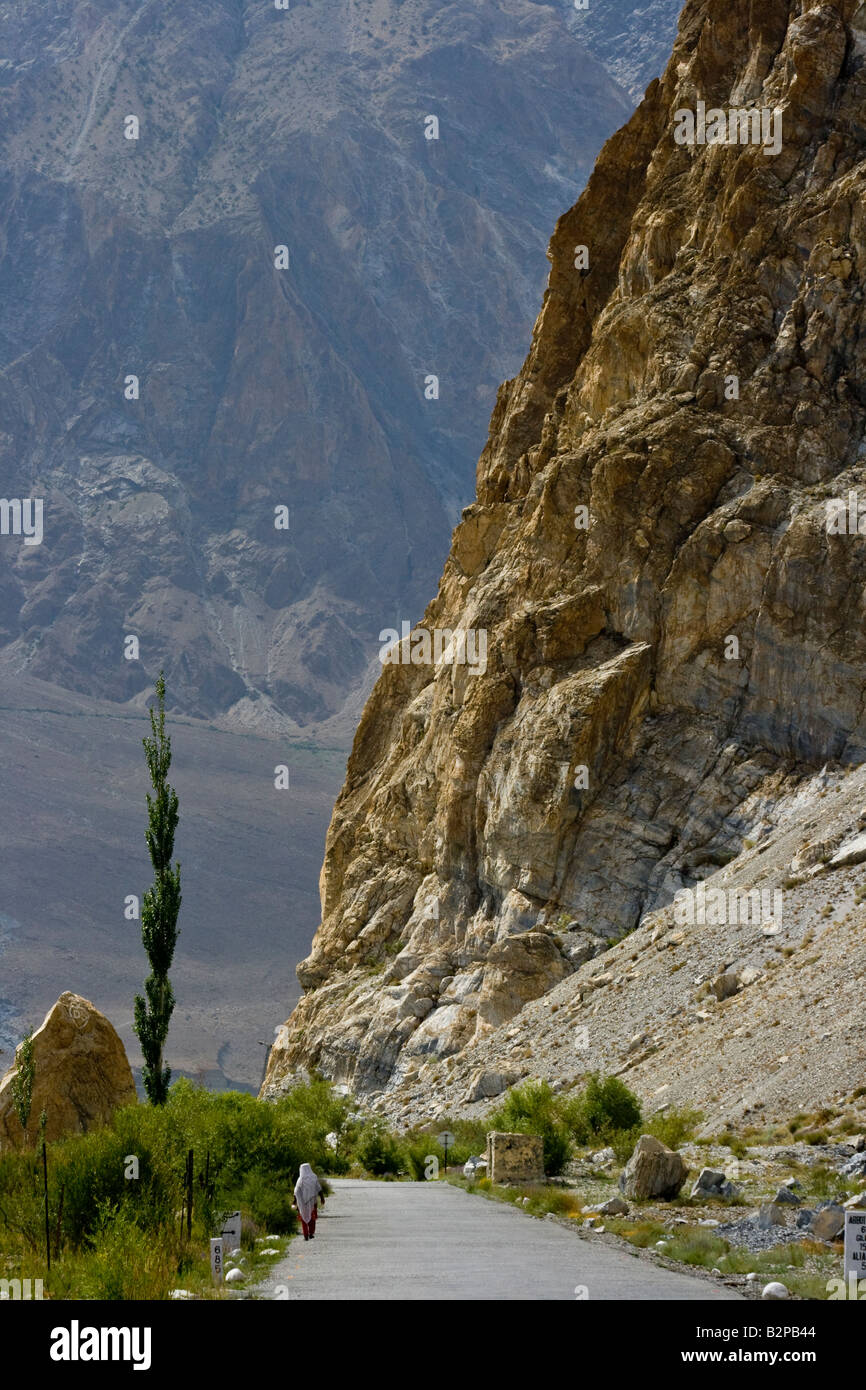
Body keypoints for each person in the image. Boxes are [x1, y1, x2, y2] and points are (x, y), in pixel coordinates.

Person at [293, 1162, 325, 1240]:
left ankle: (306, 1235)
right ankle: (311, 1233)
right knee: (312, 1217)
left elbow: (296, 1191)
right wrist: (322, 1197)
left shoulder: (300, 1180)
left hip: (303, 1202)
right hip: (312, 1201)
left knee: (303, 1217)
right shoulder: (314, 1177)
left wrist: (295, 1201)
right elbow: (318, 1188)